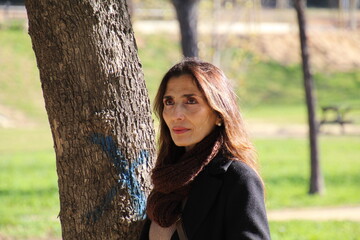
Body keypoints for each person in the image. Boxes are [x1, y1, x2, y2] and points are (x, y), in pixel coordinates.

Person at [139, 58, 271, 240]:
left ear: (218, 114)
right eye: (169, 102)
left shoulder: (237, 178)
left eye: (191, 101)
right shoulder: (166, 180)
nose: (176, 114)